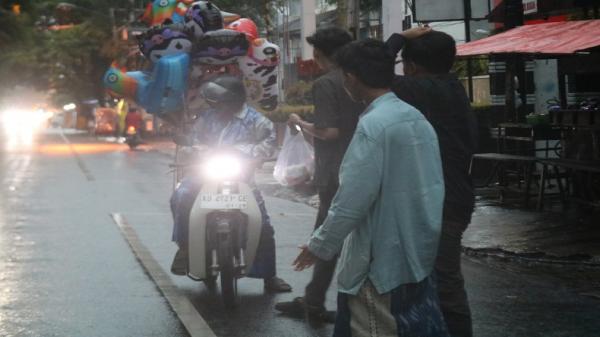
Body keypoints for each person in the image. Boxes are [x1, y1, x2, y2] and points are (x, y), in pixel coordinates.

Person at [293, 39, 449, 337]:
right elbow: (432, 185)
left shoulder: (373, 127)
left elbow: (351, 200)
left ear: (350, 77)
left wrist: (319, 246)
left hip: (379, 263)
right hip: (418, 254)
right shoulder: (415, 119)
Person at [386, 28, 478, 337]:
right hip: (454, 197)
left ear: (412, 65)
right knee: (438, 278)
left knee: (445, 281)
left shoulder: (422, 89)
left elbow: (373, 69)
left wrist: (398, 37)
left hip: (442, 201)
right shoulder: (450, 87)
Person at [170, 75, 291, 292]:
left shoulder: (257, 120)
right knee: (180, 196)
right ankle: (185, 247)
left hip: (241, 177)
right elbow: (194, 140)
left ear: (234, 101)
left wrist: (248, 153)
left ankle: (269, 276)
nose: (216, 106)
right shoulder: (207, 118)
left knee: (262, 223)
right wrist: (191, 149)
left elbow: (269, 143)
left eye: (221, 102)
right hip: (205, 173)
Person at [275, 27, 362, 324]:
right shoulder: (364, 78)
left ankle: (319, 302)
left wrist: (301, 123)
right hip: (363, 169)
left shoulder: (327, 83)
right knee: (355, 238)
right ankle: (316, 298)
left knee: (326, 238)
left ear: (323, 54)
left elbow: (330, 131)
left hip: (336, 172)